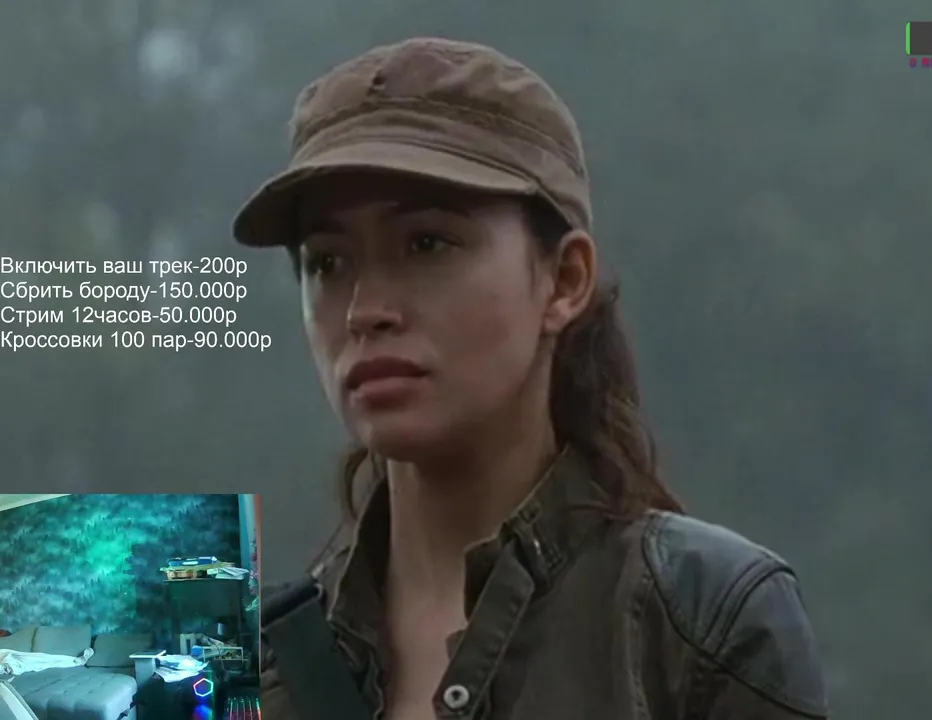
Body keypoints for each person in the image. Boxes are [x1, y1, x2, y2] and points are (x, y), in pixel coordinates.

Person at [234, 37, 828, 719]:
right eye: (327, 262)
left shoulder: (700, 622)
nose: (365, 310)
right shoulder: (244, 665)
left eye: (427, 243)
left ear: (564, 279)